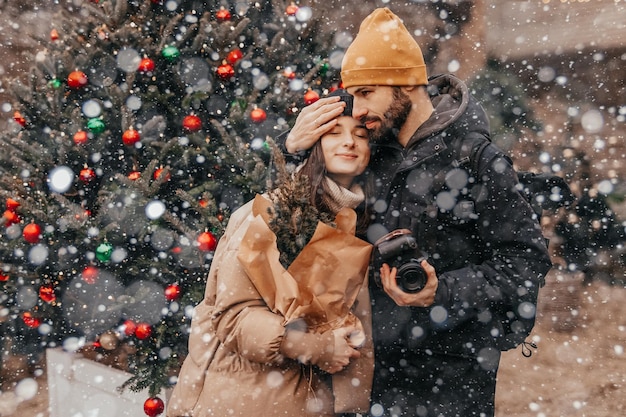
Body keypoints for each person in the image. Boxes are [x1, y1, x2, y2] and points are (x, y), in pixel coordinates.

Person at [281, 8, 552, 417]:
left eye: (367, 92)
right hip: (362, 373)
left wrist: (439, 292)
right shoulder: (363, 150)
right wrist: (293, 150)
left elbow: (525, 262)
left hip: (451, 377)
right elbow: (290, 221)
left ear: (407, 84)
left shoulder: (476, 158)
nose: (357, 110)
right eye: (353, 95)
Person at [167, 90, 375, 417]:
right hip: (244, 401)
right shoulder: (270, 212)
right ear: (314, 145)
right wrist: (319, 348)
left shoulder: (361, 224)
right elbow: (234, 318)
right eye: (333, 133)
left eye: (360, 135)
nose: (349, 142)